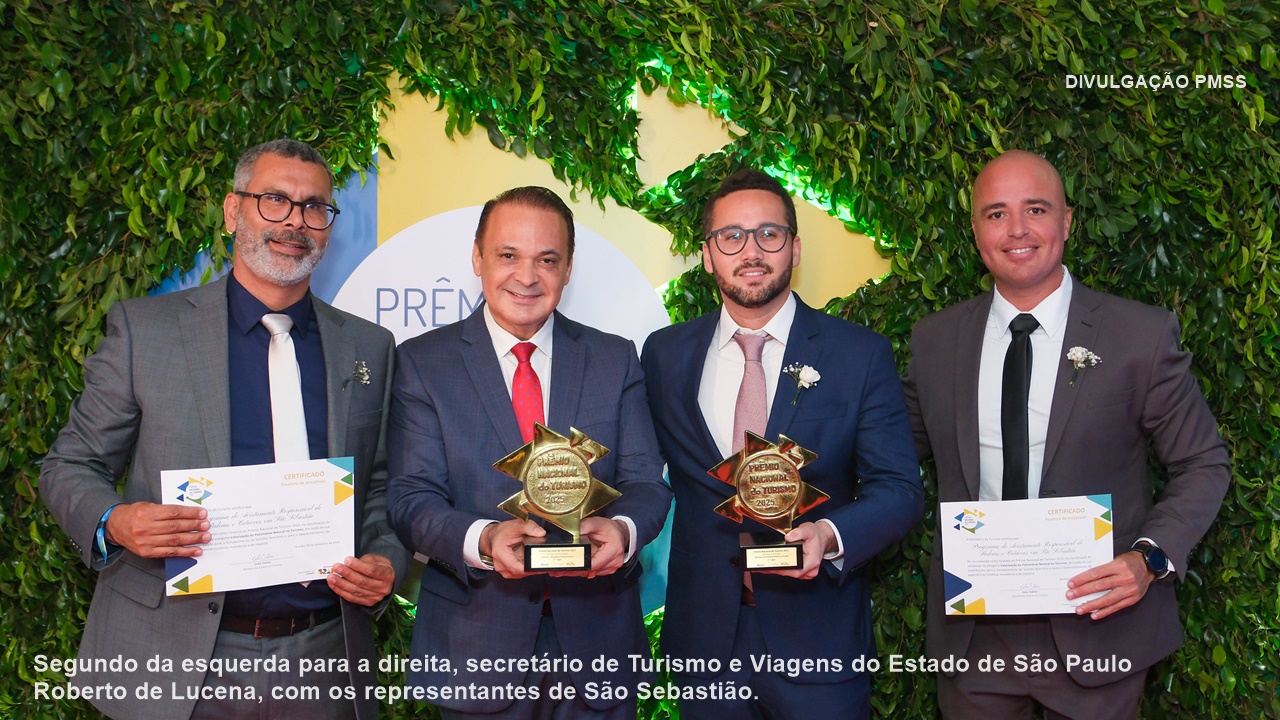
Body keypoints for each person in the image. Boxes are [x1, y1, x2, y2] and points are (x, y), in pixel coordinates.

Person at [39, 139, 408, 720]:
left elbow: (381, 487)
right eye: (274, 200)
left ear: (329, 226)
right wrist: (117, 521)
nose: (295, 222)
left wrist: (386, 560)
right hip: (172, 654)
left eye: (314, 207)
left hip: (324, 656)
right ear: (234, 211)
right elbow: (70, 466)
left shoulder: (369, 346)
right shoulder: (145, 332)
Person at [902, 149, 1230, 719]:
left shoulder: (1139, 335)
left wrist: (1149, 559)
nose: (1017, 229)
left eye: (1036, 209)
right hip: (975, 639)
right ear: (975, 229)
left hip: (1099, 627)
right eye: (997, 213)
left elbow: (1203, 462)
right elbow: (890, 455)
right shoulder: (934, 341)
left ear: (1067, 221)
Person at [641, 169, 924, 719]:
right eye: (731, 236)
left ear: (794, 248)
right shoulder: (665, 354)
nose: (751, 251)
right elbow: (641, 474)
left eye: (769, 234)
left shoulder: (858, 354)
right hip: (705, 640)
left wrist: (830, 534)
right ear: (707, 255)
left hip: (819, 638)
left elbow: (898, 489)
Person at [386, 186, 672, 719]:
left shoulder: (614, 359)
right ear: (477, 258)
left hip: (600, 641)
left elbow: (646, 483)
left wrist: (624, 530)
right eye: (508, 255)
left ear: (568, 269)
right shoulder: (423, 363)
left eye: (547, 259)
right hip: (475, 645)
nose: (527, 276)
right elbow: (411, 497)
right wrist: (484, 539)